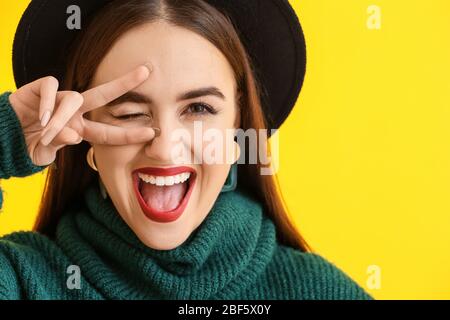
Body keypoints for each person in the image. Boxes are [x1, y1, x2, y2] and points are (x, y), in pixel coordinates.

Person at [0, 0, 373, 299]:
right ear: (87, 135)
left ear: (237, 124)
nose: (164, 148)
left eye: (198, 109)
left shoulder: (317, 290)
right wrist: (3, 137)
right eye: (129, 113)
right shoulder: (23, 279)